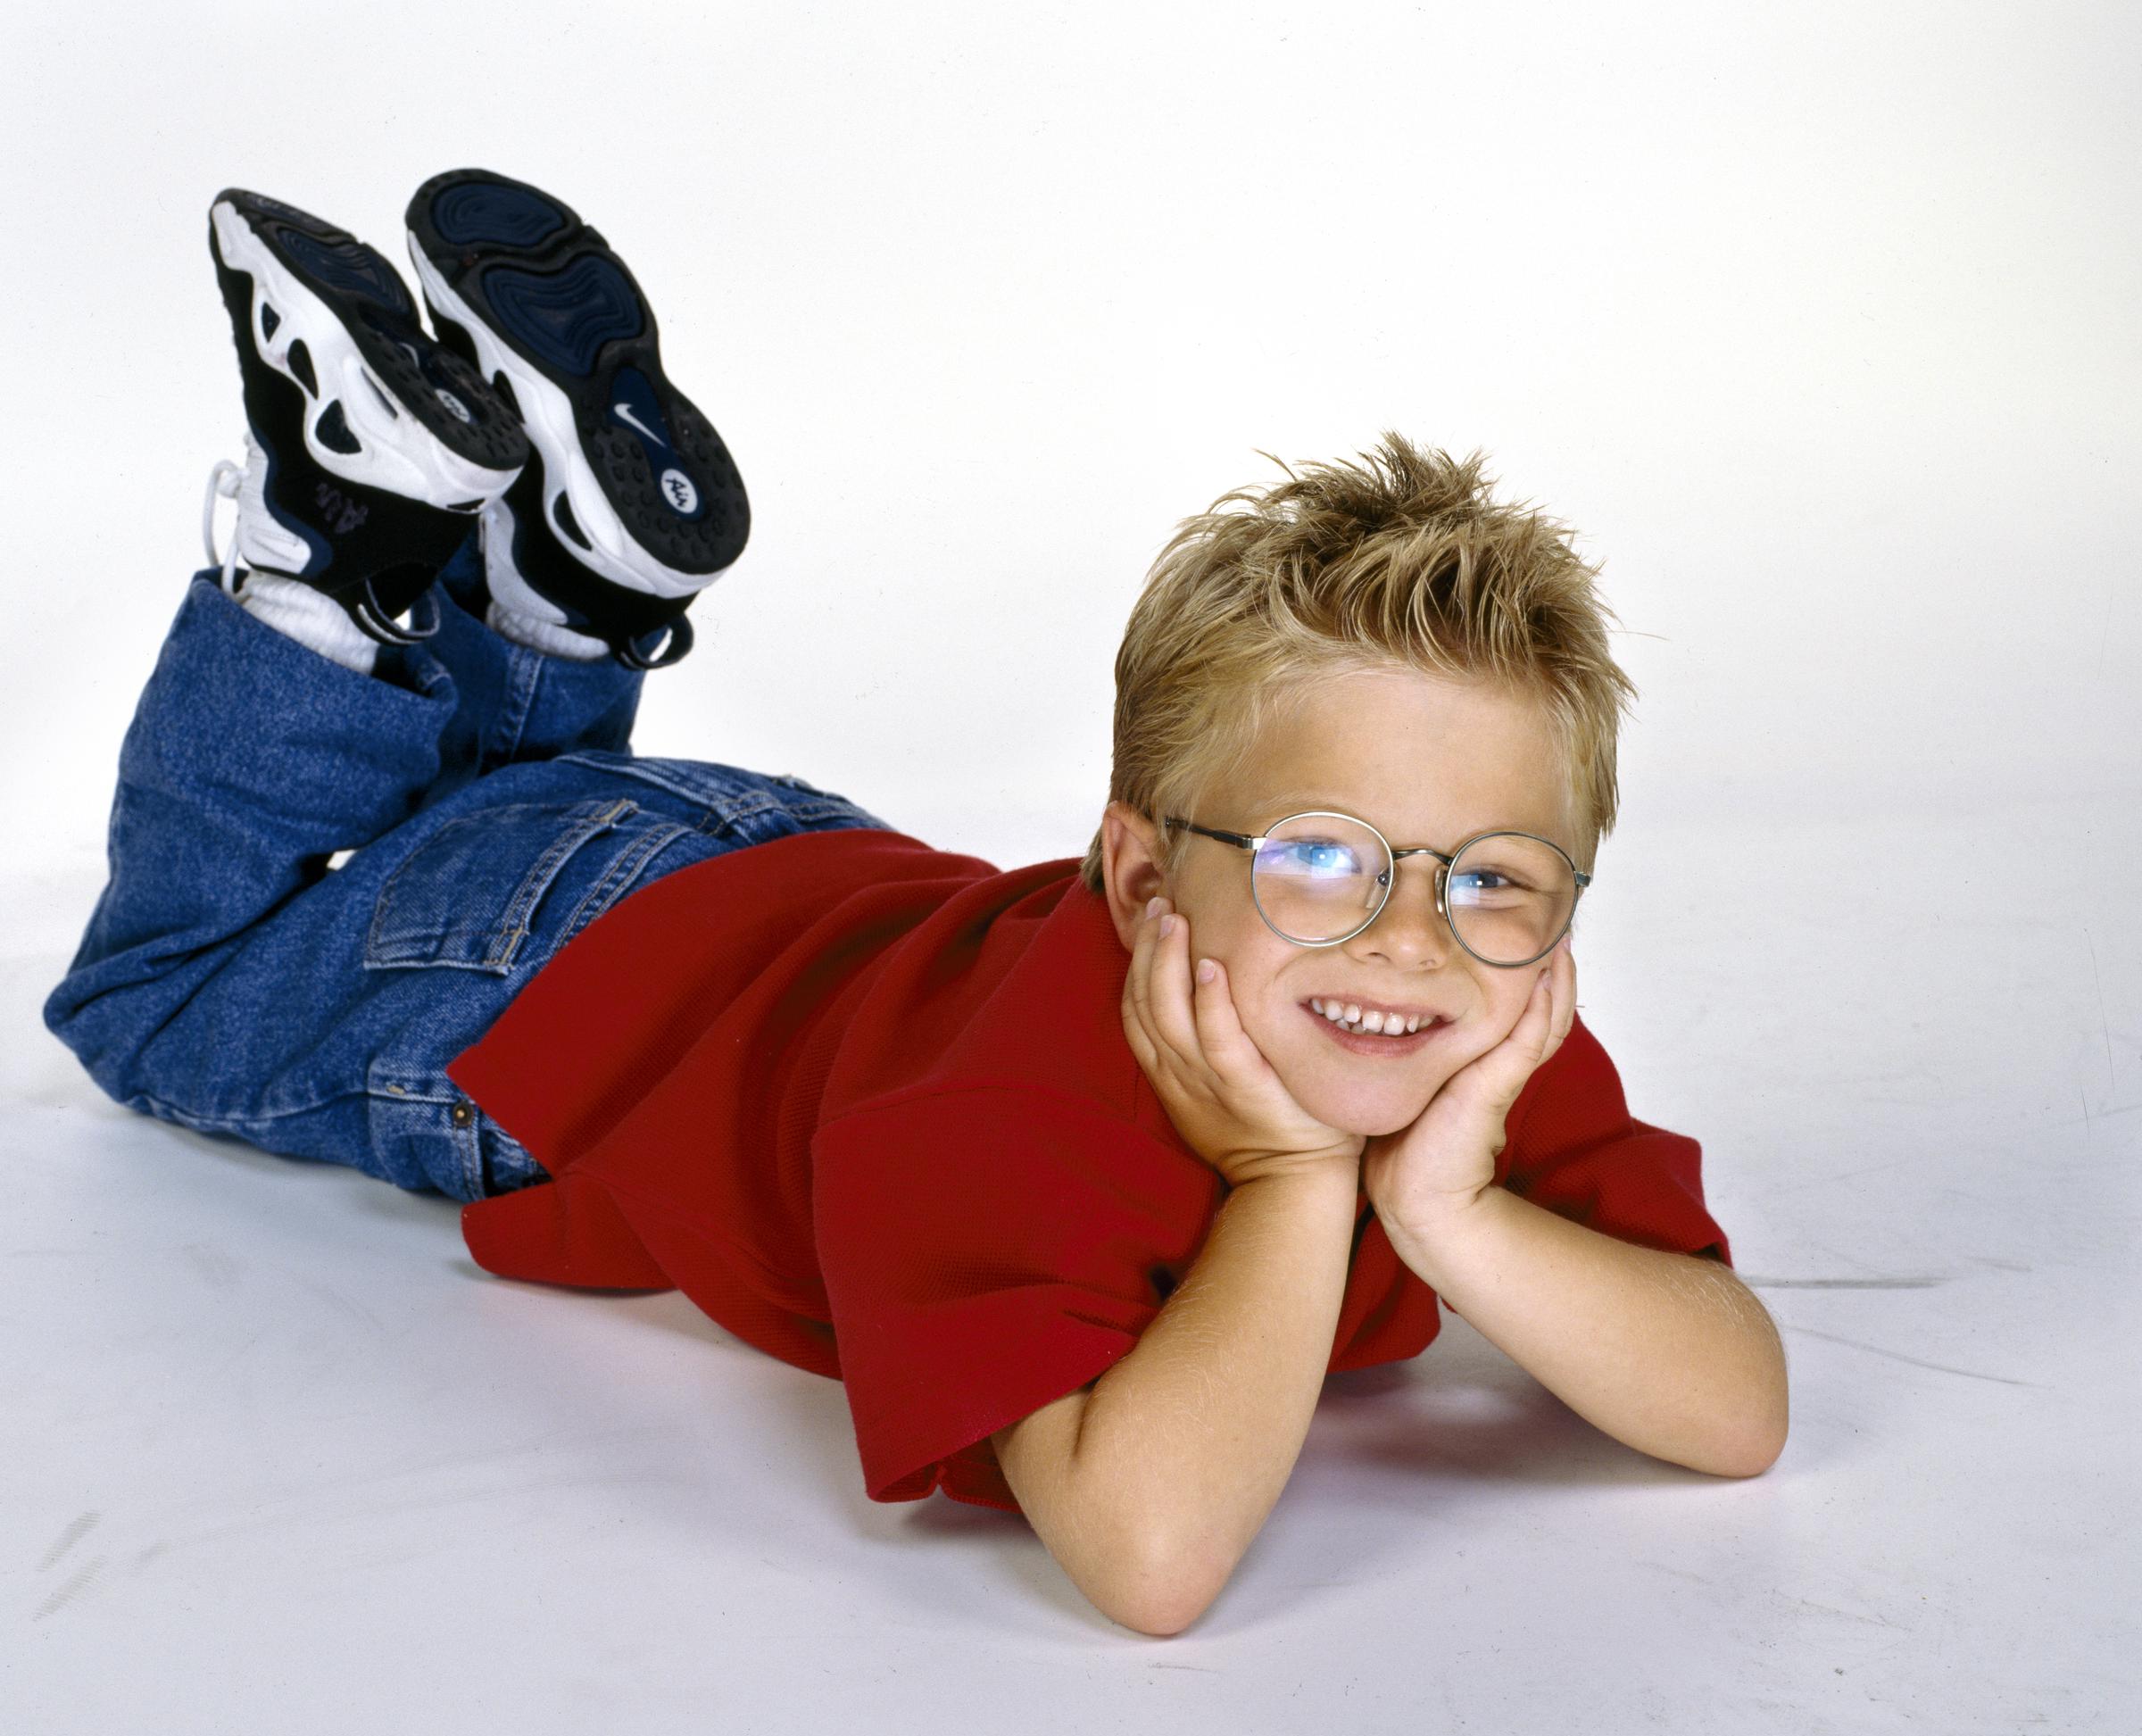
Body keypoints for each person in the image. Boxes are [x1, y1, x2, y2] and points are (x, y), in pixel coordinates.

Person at [45, 170, 1789, 1637]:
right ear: (1135, 868)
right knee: (169, 1000)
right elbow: (1150, 1556)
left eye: (1493, 878)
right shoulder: (1013, 1116)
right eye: (1320, 856)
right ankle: (330, 551)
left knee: (485, 812)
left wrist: (1463, 1215)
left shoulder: (1451, 1035)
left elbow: (1736, 1403)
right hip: (552, 973)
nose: (1409, 939)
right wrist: (1299, 1176)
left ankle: (568, 591)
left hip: (754, 862)